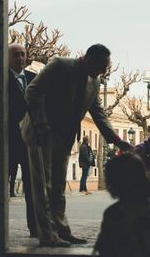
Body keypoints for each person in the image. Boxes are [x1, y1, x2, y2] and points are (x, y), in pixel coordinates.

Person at [21, 44, 132, 246]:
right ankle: (47, 235)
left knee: (58, 186)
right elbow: (32, 91)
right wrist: (41, 123)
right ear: (89, 59)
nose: (103, 72)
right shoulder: (59, 65)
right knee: (42, 186)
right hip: (41, 132)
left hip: (64, 138)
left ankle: (62, 230)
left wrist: (117, 141)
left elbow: (99, 115)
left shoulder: (95, 82)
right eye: (102, 66)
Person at [7, 43, 37, 237]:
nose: (20, 58)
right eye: (16, 55)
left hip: (29, 141)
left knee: (32, 186)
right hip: (8, 141)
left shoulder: (34, 79)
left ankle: (35, 227)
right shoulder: (1, 78)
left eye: (23, 55)